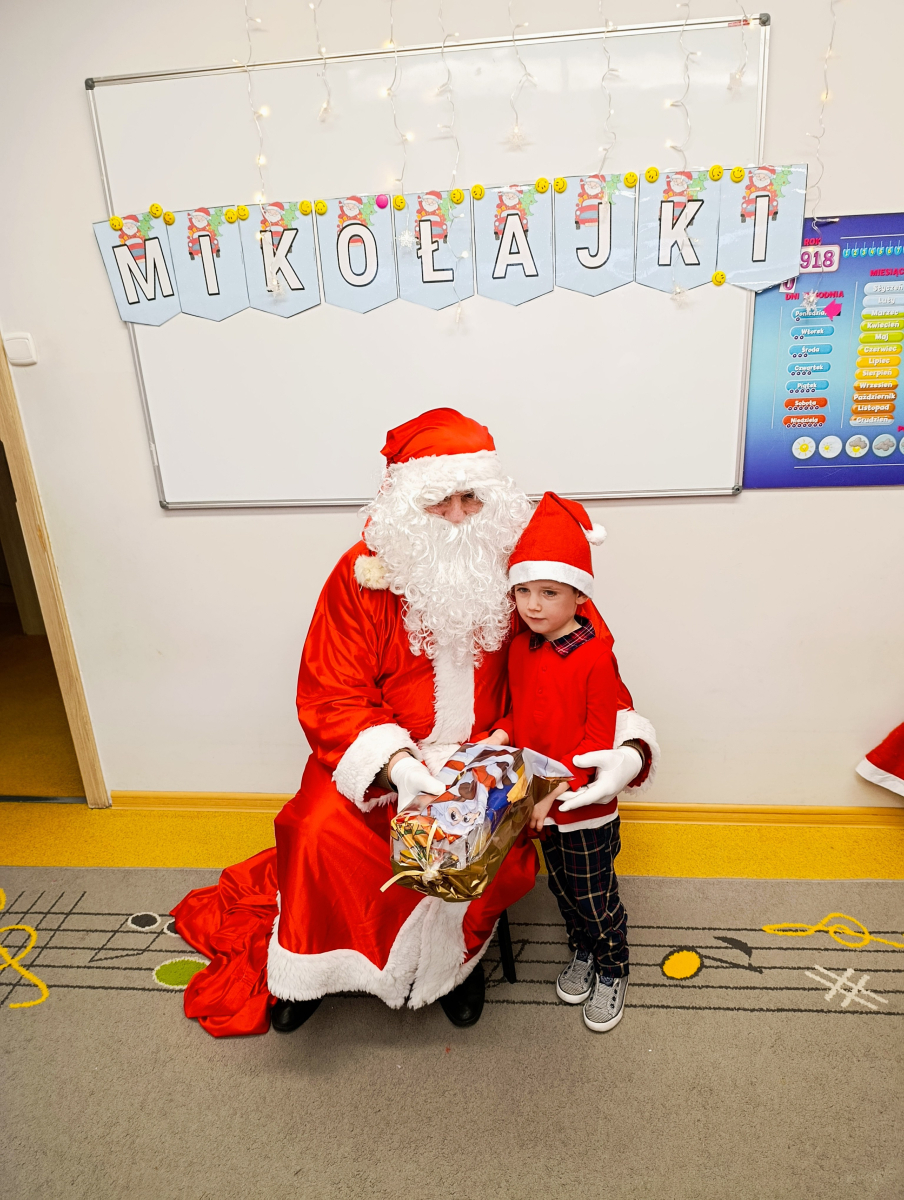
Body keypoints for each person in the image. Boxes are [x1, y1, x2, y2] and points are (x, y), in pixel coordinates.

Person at [172, 411, 658, 1037]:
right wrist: (397, 766)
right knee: (317, 830)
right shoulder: (361, 574)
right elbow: (331, 689)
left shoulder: (525, 572)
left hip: (488, 750)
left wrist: (629, 748)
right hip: (383, 755)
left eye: (471, 498)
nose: (457, 515)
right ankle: (311, 966)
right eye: (438, 501)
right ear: (405, 505)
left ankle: (457, 963)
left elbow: (587, 665)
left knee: (472, 839)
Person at [486, 492, 646, 1033]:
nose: (532, 605)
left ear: (579, 595)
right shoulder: (519, 649)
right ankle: (583, 949)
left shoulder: (596, 655)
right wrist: (499, 735)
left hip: (581, 804)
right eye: (523, 591)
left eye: (549, 592)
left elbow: (599, 738)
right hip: (538, 799)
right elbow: (522, 714)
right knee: (561, 888)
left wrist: (554, 793)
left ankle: (613, 966)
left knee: (594, 895)